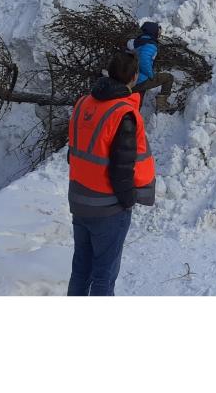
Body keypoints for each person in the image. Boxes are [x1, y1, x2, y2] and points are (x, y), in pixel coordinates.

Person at [66, 52, 156, 296]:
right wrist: (128, 200)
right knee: (103, 276)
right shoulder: (123, 114)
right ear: (135, 76)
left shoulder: (84, 103)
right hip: (107, 208)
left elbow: (73, 151)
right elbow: (122, 168)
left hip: (78, 200)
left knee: (81, 270)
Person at [127, 21, 173, 114]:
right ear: (153, 32)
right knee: (168, 78)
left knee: (137, 100)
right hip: (141, 78)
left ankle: (132, 120)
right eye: (158, 32)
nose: (159, 34)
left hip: (133, 79)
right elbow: (144, 61)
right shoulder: (150, 44)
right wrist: (151, 74)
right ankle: (161, 104)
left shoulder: (139, 42)